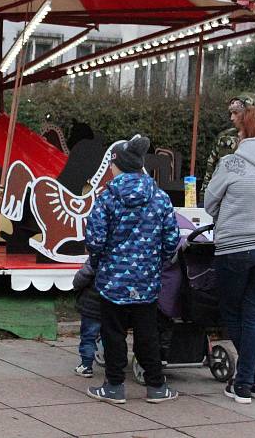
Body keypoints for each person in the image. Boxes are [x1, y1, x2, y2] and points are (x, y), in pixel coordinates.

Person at [84, 135, 180, 405]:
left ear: (118, 166)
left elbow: (95, 239)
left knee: (112, 333)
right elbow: (172, 240)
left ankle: (114, 386)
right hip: (147, 281)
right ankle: (156, 387)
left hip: (112, 279)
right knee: (147, 332)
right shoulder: (160, 198)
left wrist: (99, 262)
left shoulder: (107, 198)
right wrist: (156, 263)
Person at [205, 107, 255, 404]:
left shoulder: (232, 163)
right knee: (252, 314)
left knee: (232, 312)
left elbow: (210, 200)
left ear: (247, 131)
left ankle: (243, 384)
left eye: (239, 126)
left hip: (235, 246)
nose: (236, 130)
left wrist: (225, 215)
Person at [202, 92, 255, 193]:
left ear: (249, 114)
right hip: (220, 196)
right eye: (231, 113)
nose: (232, 118)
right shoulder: (225, 137)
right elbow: (211, 168)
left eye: (236, 113)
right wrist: (204, 195)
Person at [72, 256, 101, 378]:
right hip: (112, 305)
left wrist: (76, 286)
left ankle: (86, 365)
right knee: (111, 335)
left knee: (88, 336)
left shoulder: (96, 258)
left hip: (91, 306)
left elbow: (81, 278)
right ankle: (113, 363)